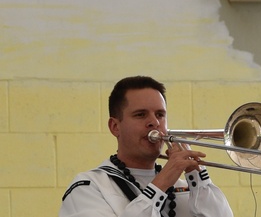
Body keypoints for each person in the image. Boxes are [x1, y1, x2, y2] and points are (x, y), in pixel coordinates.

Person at [59, 76, 234, 217]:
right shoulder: (89, 187)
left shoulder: (186, 187)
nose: (154, 122)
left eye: (160, 114)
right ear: (115, 126)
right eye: (140, 115)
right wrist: (161, 184)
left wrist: (198, 175)